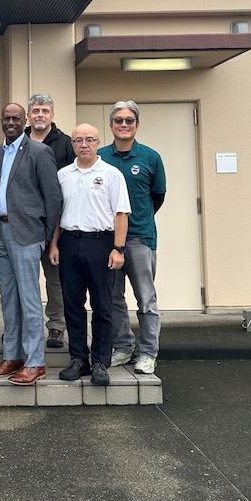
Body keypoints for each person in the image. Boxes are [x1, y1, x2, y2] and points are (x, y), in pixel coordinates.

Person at [0, 103, 63, 386]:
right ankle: (13, 356)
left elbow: (53, 197)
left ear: (25, 120)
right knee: (8, 298)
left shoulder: (40, 152)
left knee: (30, 300)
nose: (10, 122)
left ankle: (35, 362)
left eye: (16, 118)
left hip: (27, 234)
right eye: (6, 118)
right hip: (1, 233)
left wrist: (44, 236)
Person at [49, 123, 131, 386]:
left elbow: (121, 214)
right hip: (70, 243)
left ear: (97, 143)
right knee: (72, 306)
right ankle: (78, 359)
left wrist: (118, 249)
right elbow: (58, 214)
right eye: (78, 140)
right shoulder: (63, 175)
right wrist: (54, 245)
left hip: (101, 243)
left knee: (102, 306)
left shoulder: (111, 174)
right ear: (71, 144)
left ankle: (100, 362)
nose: (83, 144)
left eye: (89, 139)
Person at [98, 100, 166, 375]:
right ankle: (124, 347)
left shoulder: (150, 157)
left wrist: (138, 220)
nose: (123, 125)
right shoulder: (100, 156)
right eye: (118, 120)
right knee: (112, 298)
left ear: (136, 125)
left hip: (140, 239)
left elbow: (157, 197)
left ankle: (148, 353)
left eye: (129, 120)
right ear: (111, 125)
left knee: (146, 299)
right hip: (108, 241)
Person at [25, 94, 76, 350]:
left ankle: (56, 327)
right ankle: (26, 326)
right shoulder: (18, 142)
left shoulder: (65, 144)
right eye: (35, 110)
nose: (40, 115)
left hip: (56, 226)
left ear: (52, 115)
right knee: (25, 278)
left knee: (55, 278)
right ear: (28, 115)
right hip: (25, 226)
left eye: (45, 110)